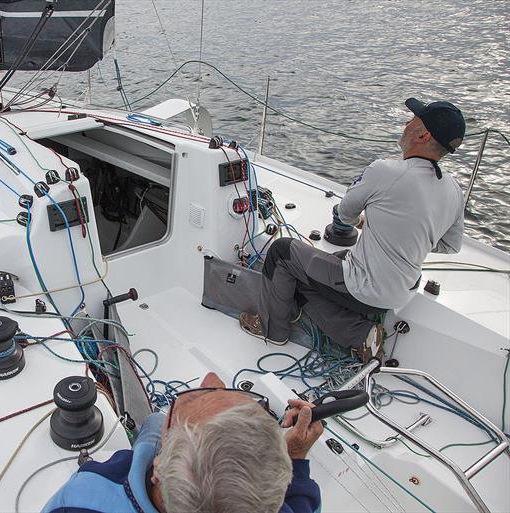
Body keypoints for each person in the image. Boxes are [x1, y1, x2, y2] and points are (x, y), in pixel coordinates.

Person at [239, 98, 466, 358]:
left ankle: (273, 331)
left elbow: (345, 215)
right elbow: (450, 245)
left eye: (413, 120)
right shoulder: (453, 190)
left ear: (423, 135)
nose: (406, 124)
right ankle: (361, 336)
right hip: (403, 289)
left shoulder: (386, 171)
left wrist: (369, 221)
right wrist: (404, 231)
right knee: (327, 263)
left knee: (282, 252)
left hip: (366, 287)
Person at [42, 372, 323, 513]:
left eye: (194, 401)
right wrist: (295, 457)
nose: (211, 378)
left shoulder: (84, 495)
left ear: (158, 470)